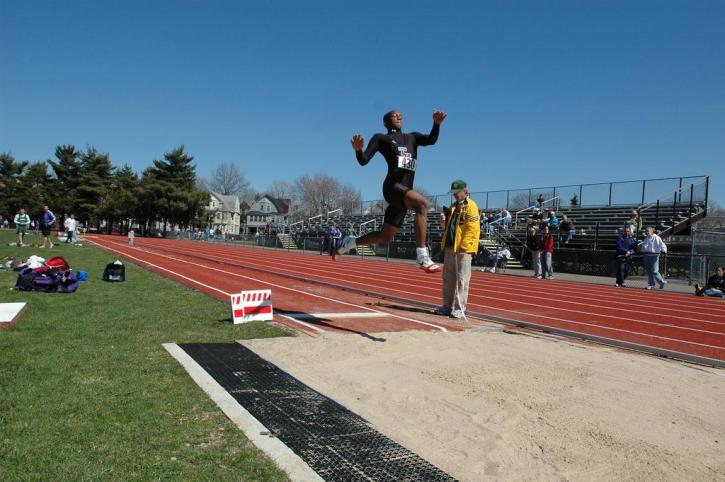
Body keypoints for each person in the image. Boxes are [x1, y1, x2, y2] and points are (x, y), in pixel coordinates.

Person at [339, 109, 447, 273]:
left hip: (405, 193)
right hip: (392, 187)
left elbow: (431, 139)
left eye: (400, 115)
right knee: (422, 204)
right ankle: (422, 256)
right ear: (386, 122)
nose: (398, 116)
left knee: (385, 237)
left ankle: (351, 242)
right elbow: (364, 161)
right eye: (394, 115)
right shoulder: (381, 138)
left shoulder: (413, 137)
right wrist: (358, 150)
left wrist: (436, 124)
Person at [435, 180, 480, 318]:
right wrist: (443, 221)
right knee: (448, 279)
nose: (454, 195)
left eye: (456, 193)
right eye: (453, 193)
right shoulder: (453, 206)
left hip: (463, 249)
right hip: (450, 247)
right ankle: (447, 306)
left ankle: (460, 308)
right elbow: (448, 229)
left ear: (465, 191)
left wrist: (464, 246)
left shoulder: (472, 206)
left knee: (462, 279)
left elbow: (472, 229)